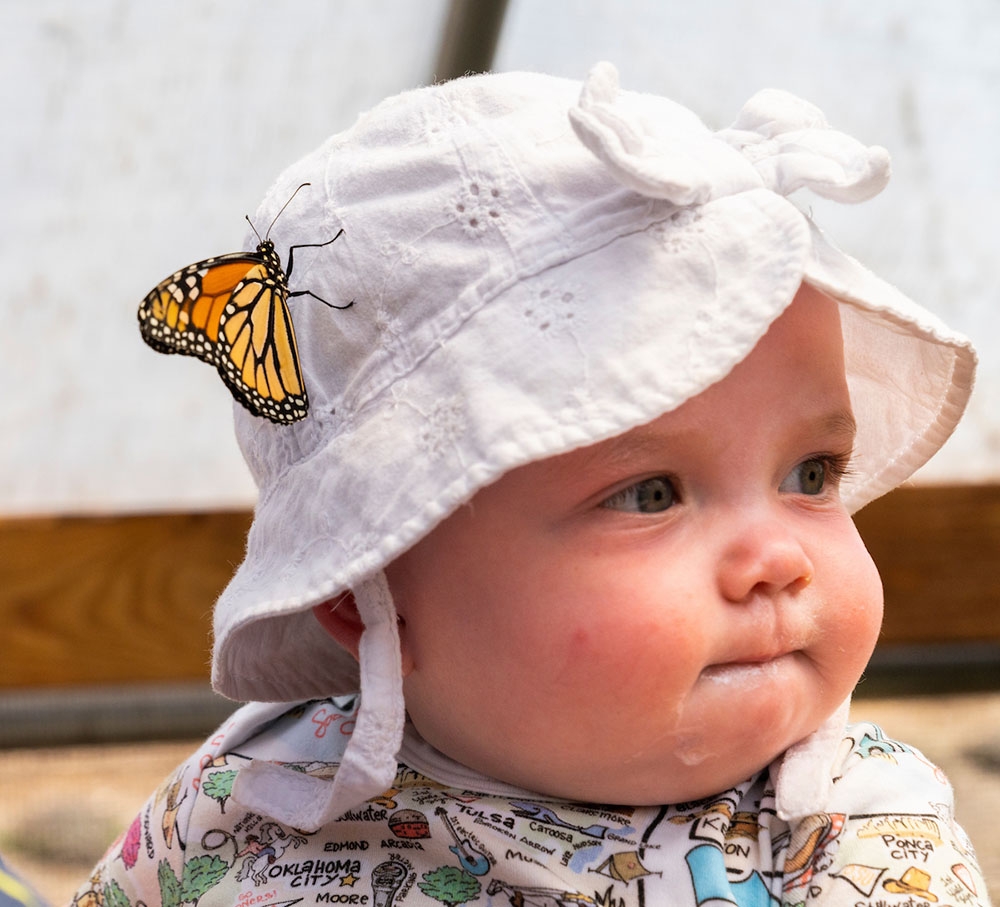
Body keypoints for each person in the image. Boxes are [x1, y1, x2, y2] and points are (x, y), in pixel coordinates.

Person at [73, 63, 990, 906]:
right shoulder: (253, 794)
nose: (779, 560)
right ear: (364, 588)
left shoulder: (852, 838)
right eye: (652, 494)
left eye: (811, 475)